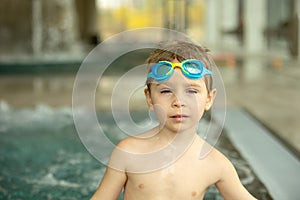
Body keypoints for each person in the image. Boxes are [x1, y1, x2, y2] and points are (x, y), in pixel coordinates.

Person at [91, 41, 257, 200]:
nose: (178, 101)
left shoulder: (215, 163)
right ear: (149, 98)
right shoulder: (128, 152)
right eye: (165, 91)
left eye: (191, 91)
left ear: (209, 99)